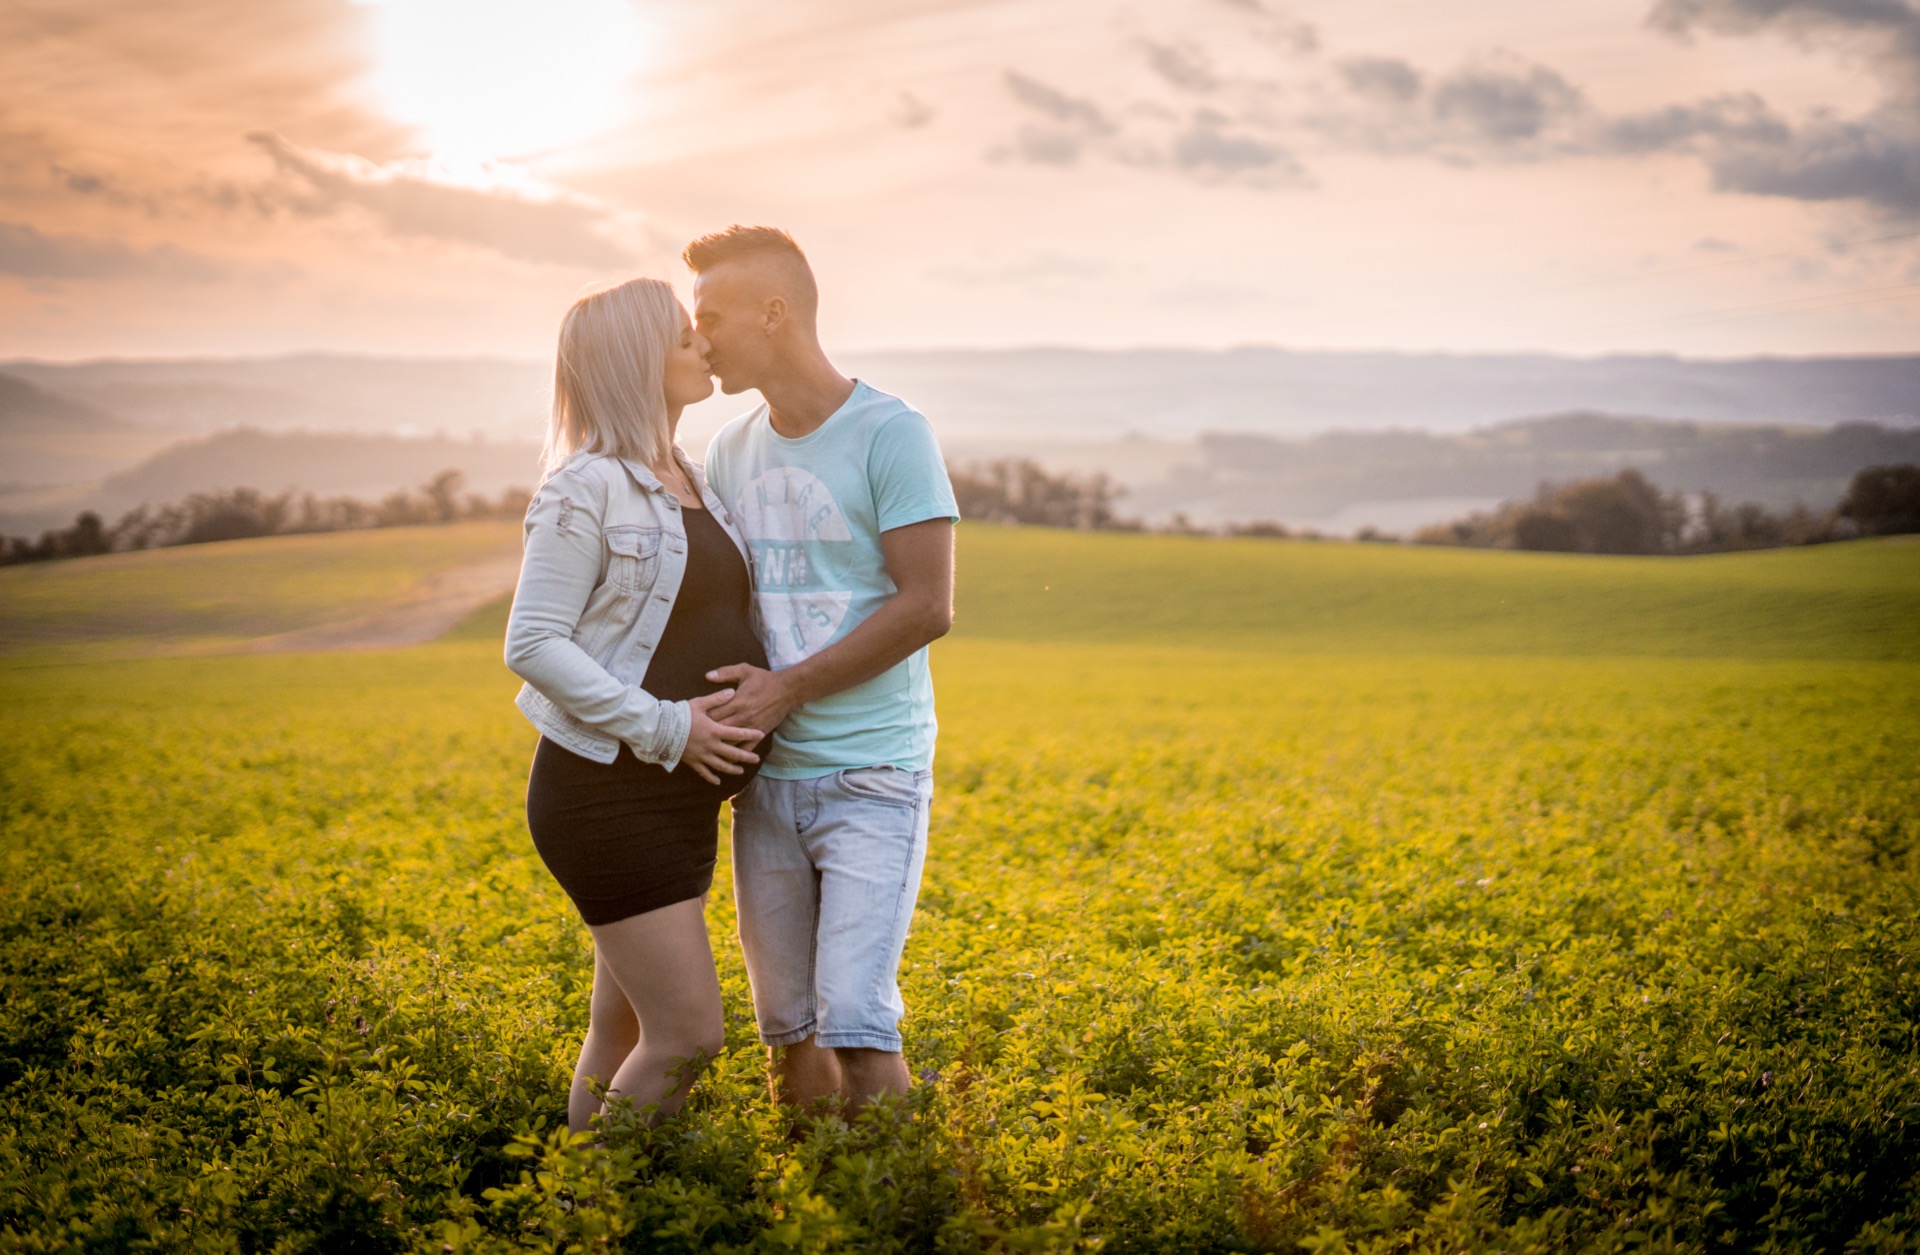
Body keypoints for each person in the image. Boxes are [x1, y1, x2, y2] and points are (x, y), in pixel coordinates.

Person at [687, 225, 959, 1116]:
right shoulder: (730, 450)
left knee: (857, 1026)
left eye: (711, 316)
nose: (698, 338)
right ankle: (817, 1187)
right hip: (764, 785)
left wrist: (788, 689)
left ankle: (904, 1193)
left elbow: (927, 605)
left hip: (872, 774)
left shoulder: (892, 432)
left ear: (774, 314)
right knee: (788, 1031)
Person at [504, 277, 770, 1134]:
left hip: (678, 800)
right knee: (688, 1035)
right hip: (608, 796)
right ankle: (584, 1198)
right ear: (636, 359)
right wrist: (671, 725)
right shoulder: (584, 487)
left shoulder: (694, 475)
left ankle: (584, 1196)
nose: (703, 346)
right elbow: (533, 643)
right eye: (685, 337)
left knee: (619, 1028)